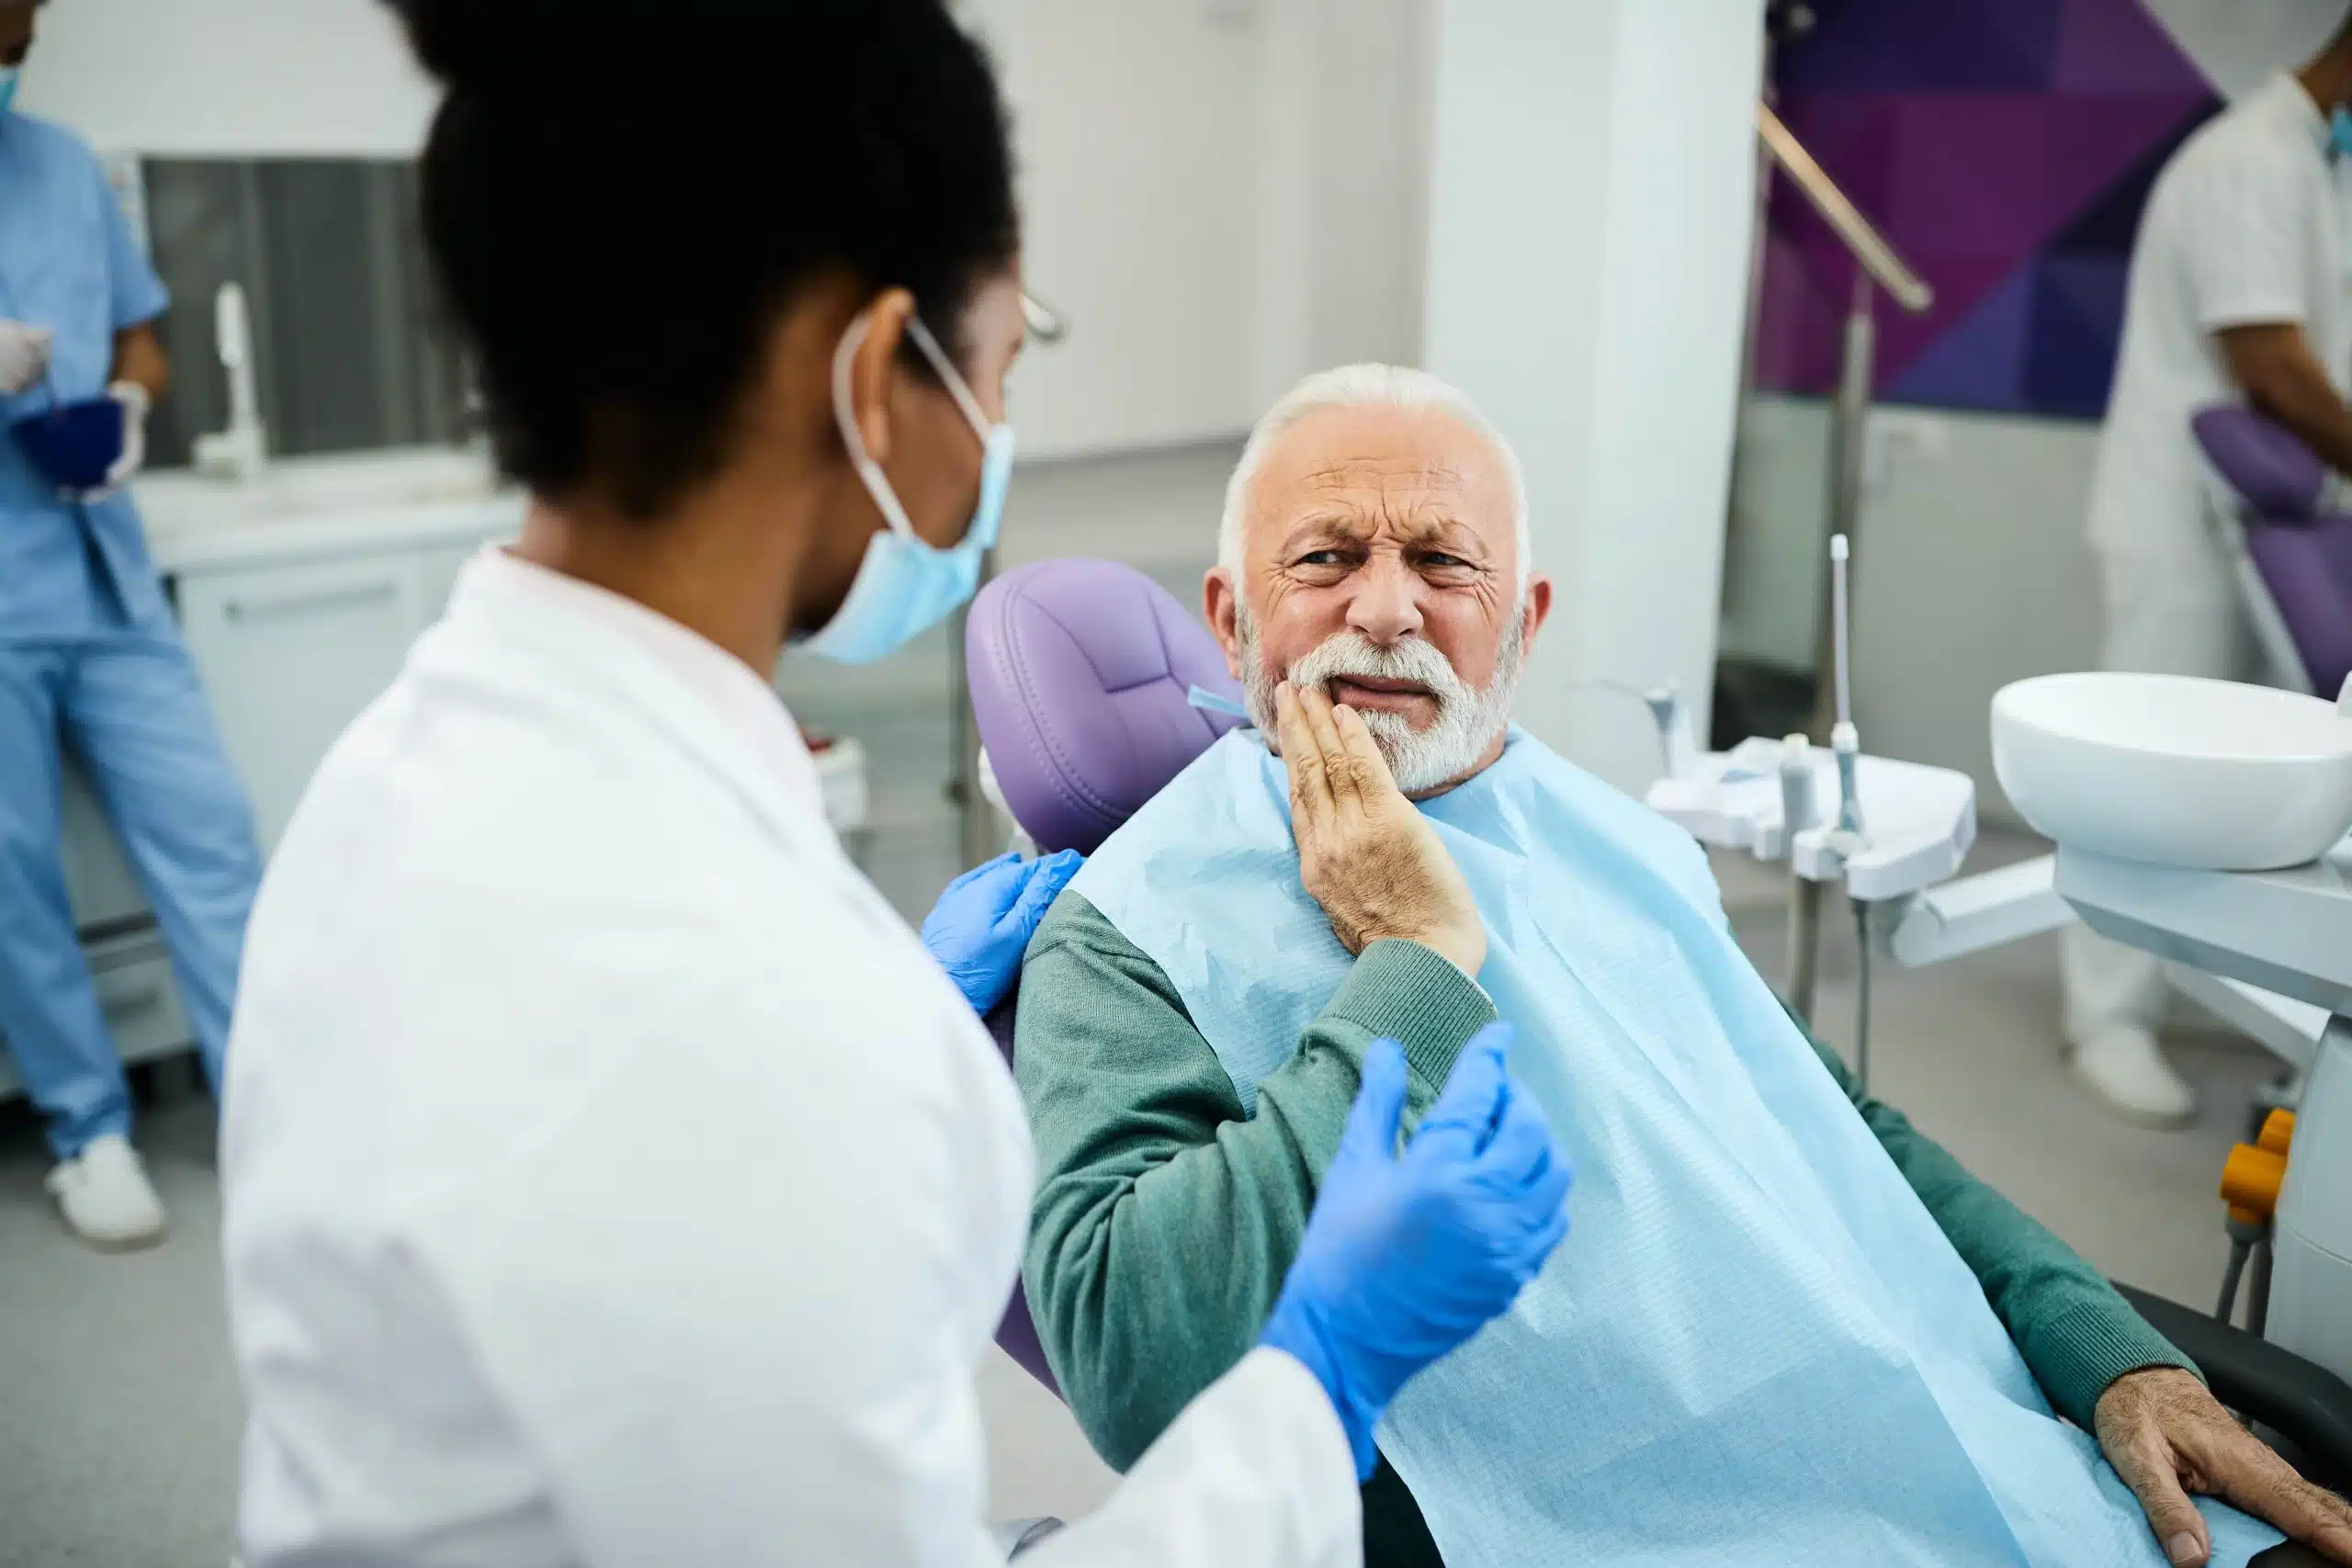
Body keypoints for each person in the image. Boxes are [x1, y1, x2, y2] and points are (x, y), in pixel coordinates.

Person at [219, 6, 1571, 1566]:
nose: (998, 426)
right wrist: (1317, 1374)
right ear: (878, 379)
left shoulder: (392, 778)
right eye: (998, 361)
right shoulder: (769, 1007)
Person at [1014, 365, 2352, 1568]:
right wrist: (1414, 962)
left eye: (1442, 559)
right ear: (1231, 616)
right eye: (1323, 557)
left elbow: (1839, 1121)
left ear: (1521, 622)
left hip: (1985, 1441)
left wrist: (2099, 1346)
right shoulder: (1134, 927)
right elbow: (1136, 1365)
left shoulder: (1607, 832)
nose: (1384, 605)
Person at [0, 0, 264, 1248]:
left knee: (211, 836)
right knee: (13, 876)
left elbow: (146, 338)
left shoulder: (58, 162)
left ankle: (269, 1112)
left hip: (102, 561)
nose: (18, 52)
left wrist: (123, 400)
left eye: (22, 43)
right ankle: (85, 1128)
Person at [2072, 12, 2352, 1125]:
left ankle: (2165, 977)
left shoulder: (2304, 168)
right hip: (2180, 515)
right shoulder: (2248, 161)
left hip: (2253, 521)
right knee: (2140, 775)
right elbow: (2272, 366)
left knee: (2223, 779)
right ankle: (2105, 1014)